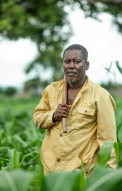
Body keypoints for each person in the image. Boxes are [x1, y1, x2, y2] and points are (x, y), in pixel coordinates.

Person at [33, 44, 117, 175]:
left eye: (77, 61)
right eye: (67, 61)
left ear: (86, 65)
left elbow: (108, 141)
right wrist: (54, 115)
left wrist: (110, 175)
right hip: (51, 171)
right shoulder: (51, 90)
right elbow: (38, 118)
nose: (71, 66)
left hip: (82, 173)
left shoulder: (100, 96)